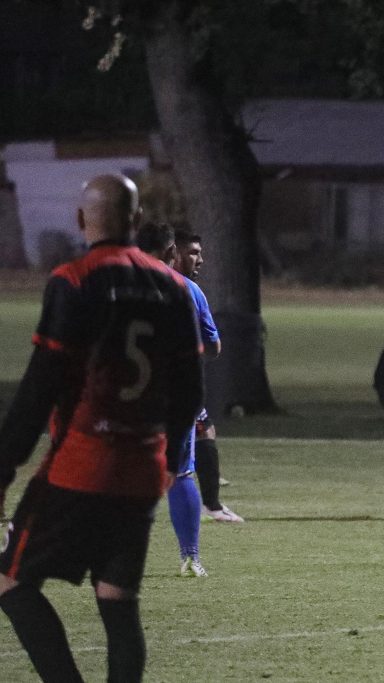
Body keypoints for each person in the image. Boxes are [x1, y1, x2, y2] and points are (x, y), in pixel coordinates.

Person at [0, 175, 203, 681]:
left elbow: (40, 387)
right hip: (142, 471)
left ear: (79, 219)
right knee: (117, 599)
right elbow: (191, 392)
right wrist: (169, 460)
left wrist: (4, 467)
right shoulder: (175, 287)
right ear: (137, 220)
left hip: (82, 463)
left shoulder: (74, 279)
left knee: (11, 581)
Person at [174, 229, 243, 524]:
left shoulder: (137, 282)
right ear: (173, 252)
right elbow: (214, 348)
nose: (200, 260)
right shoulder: (190, 290)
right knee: (196, 440)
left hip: (134, 385)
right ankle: (211, 507)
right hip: (177, 384)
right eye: (193, 253)